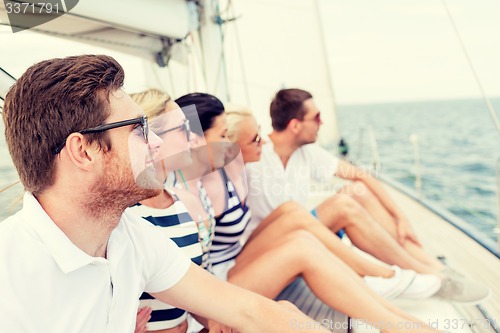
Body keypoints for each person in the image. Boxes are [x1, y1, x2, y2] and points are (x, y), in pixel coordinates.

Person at [0, 55, 332, 333]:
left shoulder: (129, 237)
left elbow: (249, 311)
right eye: (139, 130)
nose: (157, 142)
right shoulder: (10, 273)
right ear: (84, 152)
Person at [174, 93, 443, 333]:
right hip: (218, 288)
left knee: (297, 216)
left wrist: (401, 218)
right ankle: (389, 292)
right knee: (302, 245)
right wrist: (208, 318)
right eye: (252, 139)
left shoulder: (217, 178)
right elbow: (185, 273)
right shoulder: (196, 189)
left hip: (230, 266)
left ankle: (395, 297)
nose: (262, 143)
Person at [244, 88, 491, 304]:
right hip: (268, 245)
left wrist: (401, 217)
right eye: (317, 117)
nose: (322, 123)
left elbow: (362, 176)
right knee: (342, 205)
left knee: (357, 192)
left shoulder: (306, 153)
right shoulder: (253, 155)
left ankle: (432, 267)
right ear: (295, 125)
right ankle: (428, 276)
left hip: (300, 229)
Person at [127, 88, 213, 333]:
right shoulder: (124, 216)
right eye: (184, 129)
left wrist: (216, 319)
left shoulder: (183, 202)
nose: (193, 139)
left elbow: (195, 290)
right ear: (152, 137)